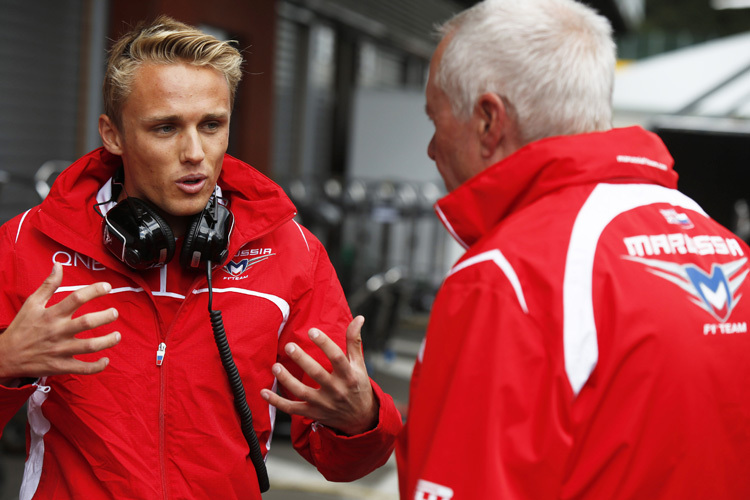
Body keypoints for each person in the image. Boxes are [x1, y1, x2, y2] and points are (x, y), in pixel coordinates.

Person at [0, 16, 401, 499]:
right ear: (113, 134)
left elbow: (342, 461)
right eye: (165, 128)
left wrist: (362, 421)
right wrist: (5, 363)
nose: (195, 153)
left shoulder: (291, 253)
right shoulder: (28, 244)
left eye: (211, 125)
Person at [396, 0, 750, 498]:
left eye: (436, 119)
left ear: (488, 121)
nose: (432, 148)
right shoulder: (725, 248)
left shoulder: (507, 276)